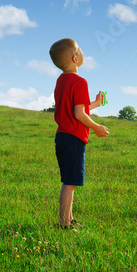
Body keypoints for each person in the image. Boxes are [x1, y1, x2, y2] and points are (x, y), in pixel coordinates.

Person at [50, 38, 108, 230]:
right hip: (74, 138)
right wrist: (96, 126)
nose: (83, 51)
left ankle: (70, 218)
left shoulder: (61, 81)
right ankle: (64, 223)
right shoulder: (80, 81)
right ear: (75, 58)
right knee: (70, 182)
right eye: (80, 49)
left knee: (70, 180)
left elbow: (76, 109)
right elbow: (79, 114)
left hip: (62, 137)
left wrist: (95, 104)